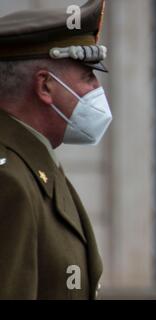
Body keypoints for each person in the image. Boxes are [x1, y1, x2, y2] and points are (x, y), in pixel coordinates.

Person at [0, 0, 110, 299]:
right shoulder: (10, 180)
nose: (96, 89)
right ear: (45, 86)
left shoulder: (35, 164)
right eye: (87, 76)